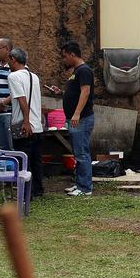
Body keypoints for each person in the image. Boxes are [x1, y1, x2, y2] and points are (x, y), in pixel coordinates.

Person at [47, 42, 94, 197]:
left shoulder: (84, 70)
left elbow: (85, 92)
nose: (64, 60)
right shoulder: (76, 72)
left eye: (65, 56)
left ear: (72, 54)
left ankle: (85, 188)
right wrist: (61, 92)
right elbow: (74, 93)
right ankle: (80, 183)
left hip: (81, 119)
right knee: (77, 152)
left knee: (82, 153)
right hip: (75, 118)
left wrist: (77, 113)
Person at [7, 47, 44, 199]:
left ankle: (25, 193)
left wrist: (26, 122)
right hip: (37, 126)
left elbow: (22, 99)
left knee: (23, 162)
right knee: (36, 161)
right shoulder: (33, 76)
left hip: (24, 126)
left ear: (13, 59)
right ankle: (38, 190)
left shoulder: (13, 76)